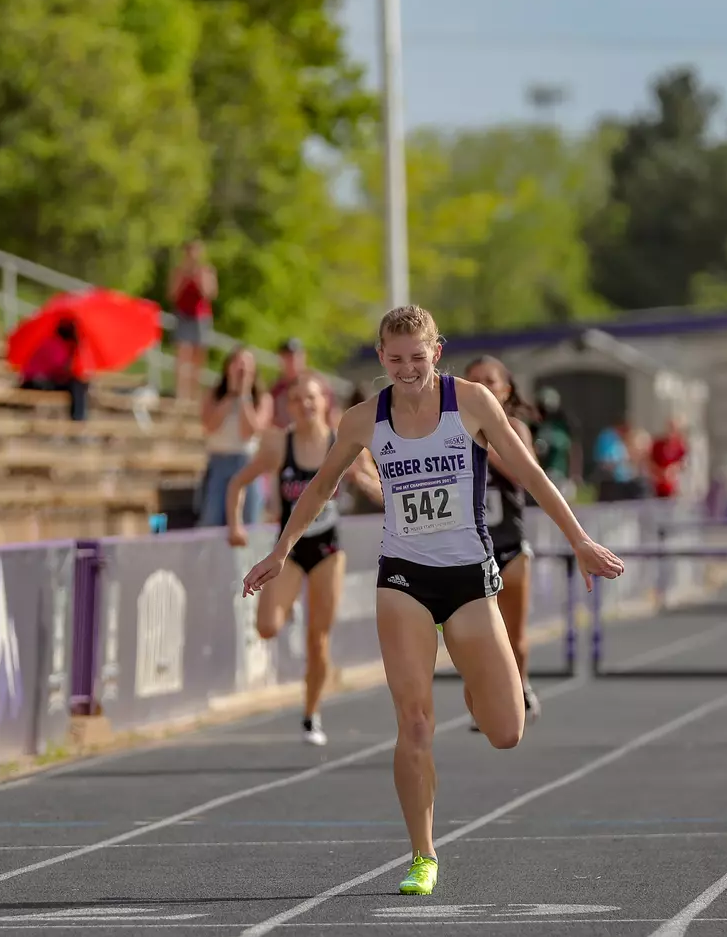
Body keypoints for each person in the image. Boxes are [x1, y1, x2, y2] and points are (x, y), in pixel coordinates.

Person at [243, 305, 624, 896]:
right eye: (395, 360)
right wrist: (279, 551)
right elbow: (320, 487)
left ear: (436, 351)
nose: (408, 370)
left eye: (417, 358)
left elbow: (530, 475)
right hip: (403, 578)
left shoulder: (470, 402)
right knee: (415, 724)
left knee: (506, 731)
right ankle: (422, 854)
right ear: (380, 358)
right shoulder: (364, 419)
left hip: (469, 578)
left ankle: (473, 678)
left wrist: (580, 540)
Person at [226, 372, 383, 745]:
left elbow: (384, 492)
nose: (305, 405)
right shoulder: (280, 445)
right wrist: (235, 526)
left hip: (328, 548)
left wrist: (364, 482)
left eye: (311, 398)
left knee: (318, 639)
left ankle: (311, 714)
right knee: (266, 627)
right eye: (296, 400)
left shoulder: (344, 442)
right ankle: (289, 602)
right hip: (289, 550)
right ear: (288, 407)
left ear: (325, 401)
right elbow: (236, 483)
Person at [463, 356, 541, 730]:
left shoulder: (513, 428)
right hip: (472, 551)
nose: (482, 388)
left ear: (505, 389)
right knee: (479, 638)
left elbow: (524, 475)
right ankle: (488, 703)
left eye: (489, 381)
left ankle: (520, 687)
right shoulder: (454, 430)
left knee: (514, 636)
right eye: (473, 381)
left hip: (510, 546)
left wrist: (488, 446)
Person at [199, 346, 271, 527]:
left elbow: (249, 431)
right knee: (212, 519)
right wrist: (230, 396)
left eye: (246, 366)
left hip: (246, 463)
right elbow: (210, 426)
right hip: (218, 462)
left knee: (250, 521)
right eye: (237, 364)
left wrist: (244, 396)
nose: (241, 370)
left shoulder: (262, 398)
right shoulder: (214, 395)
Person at [167, 240, 215, 404]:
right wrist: (184, 276)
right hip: (183, 314)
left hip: (201, 316)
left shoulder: (207, 271)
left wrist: (199, 277)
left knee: (198, 358)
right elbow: (172, 294)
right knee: (182, 354)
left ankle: (195, 395)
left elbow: (209, 294)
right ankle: (181, 395)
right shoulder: (178, 271)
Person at [18, 319, 89, 422]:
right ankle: (78, 418)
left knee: (78, 384)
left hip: (39, 380)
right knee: (76, 384)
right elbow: (59, 370)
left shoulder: (56, 344)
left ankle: (78, 417)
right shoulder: (55, 345)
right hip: (35, 382)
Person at [269, 338, 338, 428]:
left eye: (295, 356)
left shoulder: (318, 384)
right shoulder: (277, 390)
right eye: (287, 357)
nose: (292, 361)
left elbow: (331, 414)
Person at [650, 416, 689, 499]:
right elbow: (650, 461)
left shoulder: (681, 446)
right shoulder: (658, 445)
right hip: (657, 485)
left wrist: (672, 470)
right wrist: (659, 472)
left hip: (674, 486)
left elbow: (684, 463)